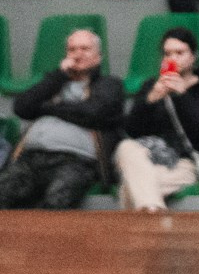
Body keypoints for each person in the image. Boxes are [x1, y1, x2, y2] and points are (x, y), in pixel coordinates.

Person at [0, 29, 124, 209]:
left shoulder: (109, 84)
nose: (77, 54)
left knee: (56, 202)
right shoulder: (54, 83)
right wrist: (59, 75)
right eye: (72, 49)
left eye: (85, 49)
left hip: (75, 162)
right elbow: (22, 107)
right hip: (30, 159)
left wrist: (48, 109)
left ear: (98, 57)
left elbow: (94, 112)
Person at [114, 27, 199, 213]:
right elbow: (131, 130)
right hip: (147, 159)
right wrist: (150, 100)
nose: (173, 59)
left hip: (184, 163)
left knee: (129, 189)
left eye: (179, 53)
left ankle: (150, 217)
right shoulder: (151, 86)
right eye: (167, 54)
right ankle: (155, 213)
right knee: (125, 147)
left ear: (193, 56)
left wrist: (182, 97)